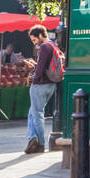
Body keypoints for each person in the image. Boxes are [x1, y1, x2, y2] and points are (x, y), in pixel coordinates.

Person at [25, 25, 57, 154]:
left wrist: (34, 77)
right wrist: (36, 65)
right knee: (32, 112)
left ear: (40, 35)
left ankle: (40, 144)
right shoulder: (53, 45)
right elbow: (45, 66)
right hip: (51, 84)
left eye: (34, 40)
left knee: (37, 113)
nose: (34, 43)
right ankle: (32, 139)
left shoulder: (44, 47)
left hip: (41, 84)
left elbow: (40, 70)